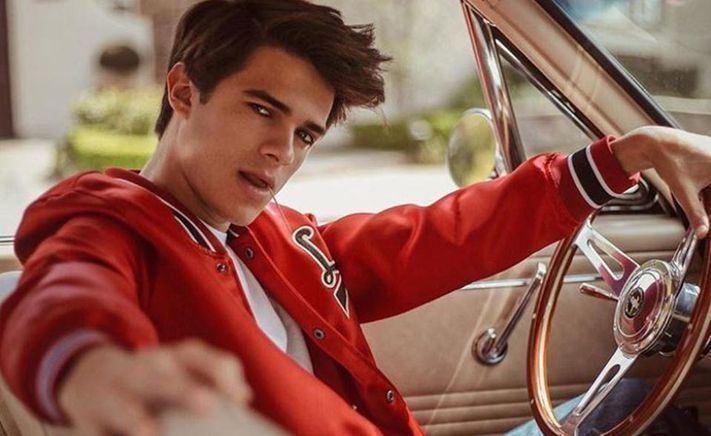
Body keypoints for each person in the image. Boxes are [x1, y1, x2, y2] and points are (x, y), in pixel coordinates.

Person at [0, 0, 710, 435]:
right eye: (261, 109)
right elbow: (63, 295)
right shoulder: (110, 224)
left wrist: (631, 150)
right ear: (183, 91)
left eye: (306, 134)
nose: (281, 150)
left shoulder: (273, 236)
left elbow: (439, 238)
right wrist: (87, 367)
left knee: (644, 401)